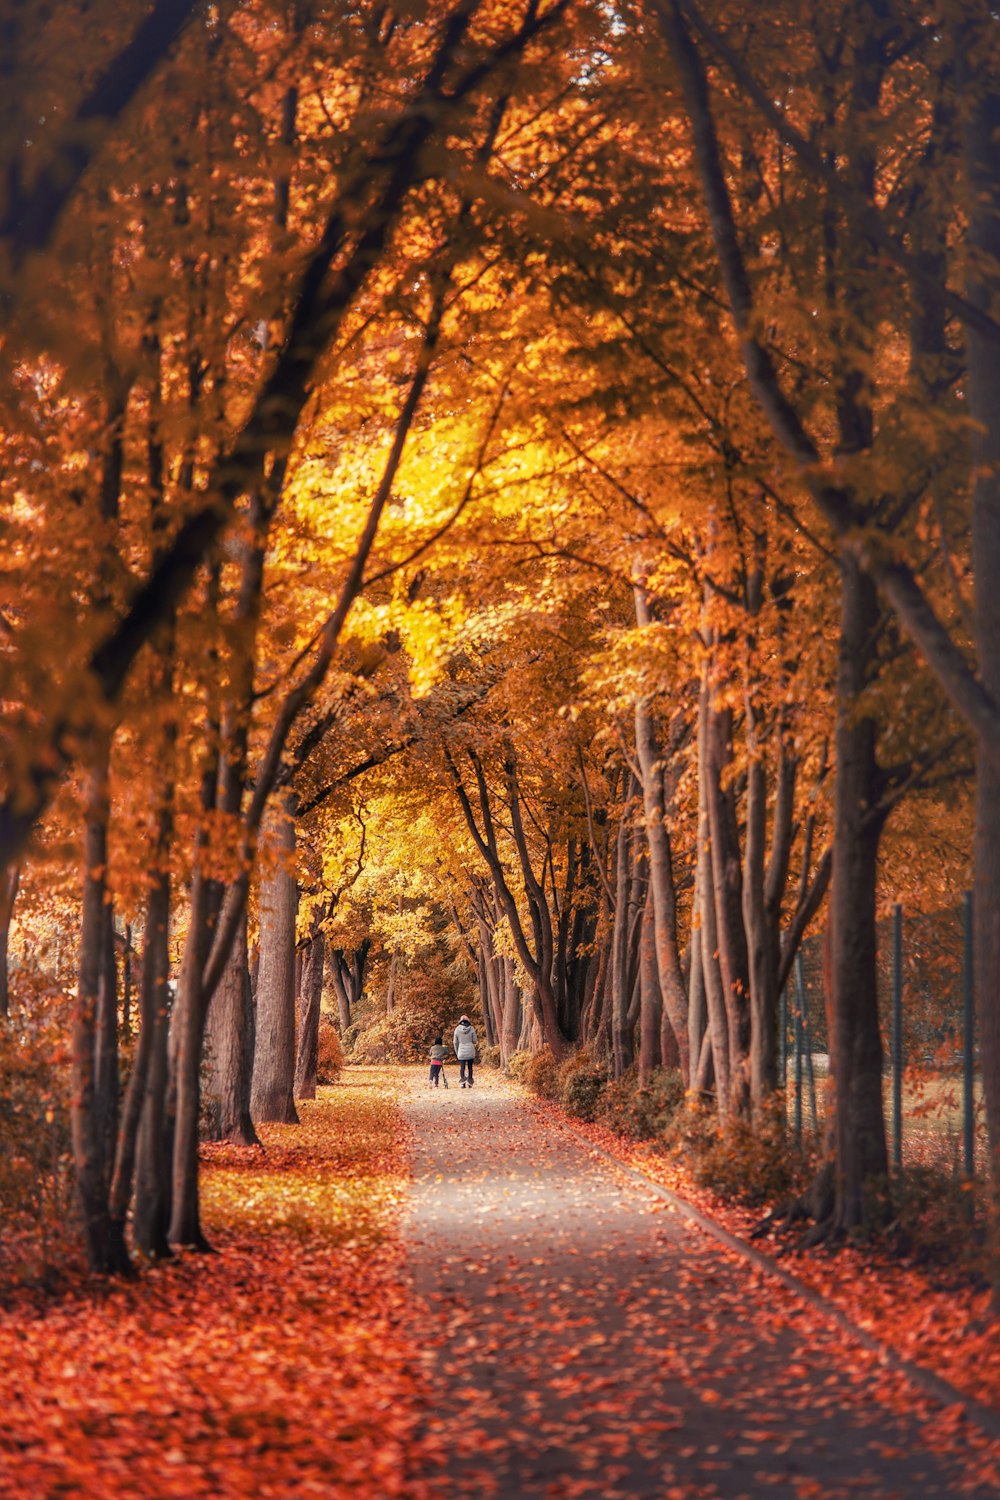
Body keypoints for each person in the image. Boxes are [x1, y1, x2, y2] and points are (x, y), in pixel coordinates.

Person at [453, 1014, 477, 1087]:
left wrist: (457, 1052)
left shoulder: (457, 1029)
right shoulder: (472, 1029)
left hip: (461, 1050)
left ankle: (462, 1082)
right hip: (470, 1050)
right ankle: (470, 1081)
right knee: (470, 1067)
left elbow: (455, 1042)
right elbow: (475, 1040)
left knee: (462, 1067)